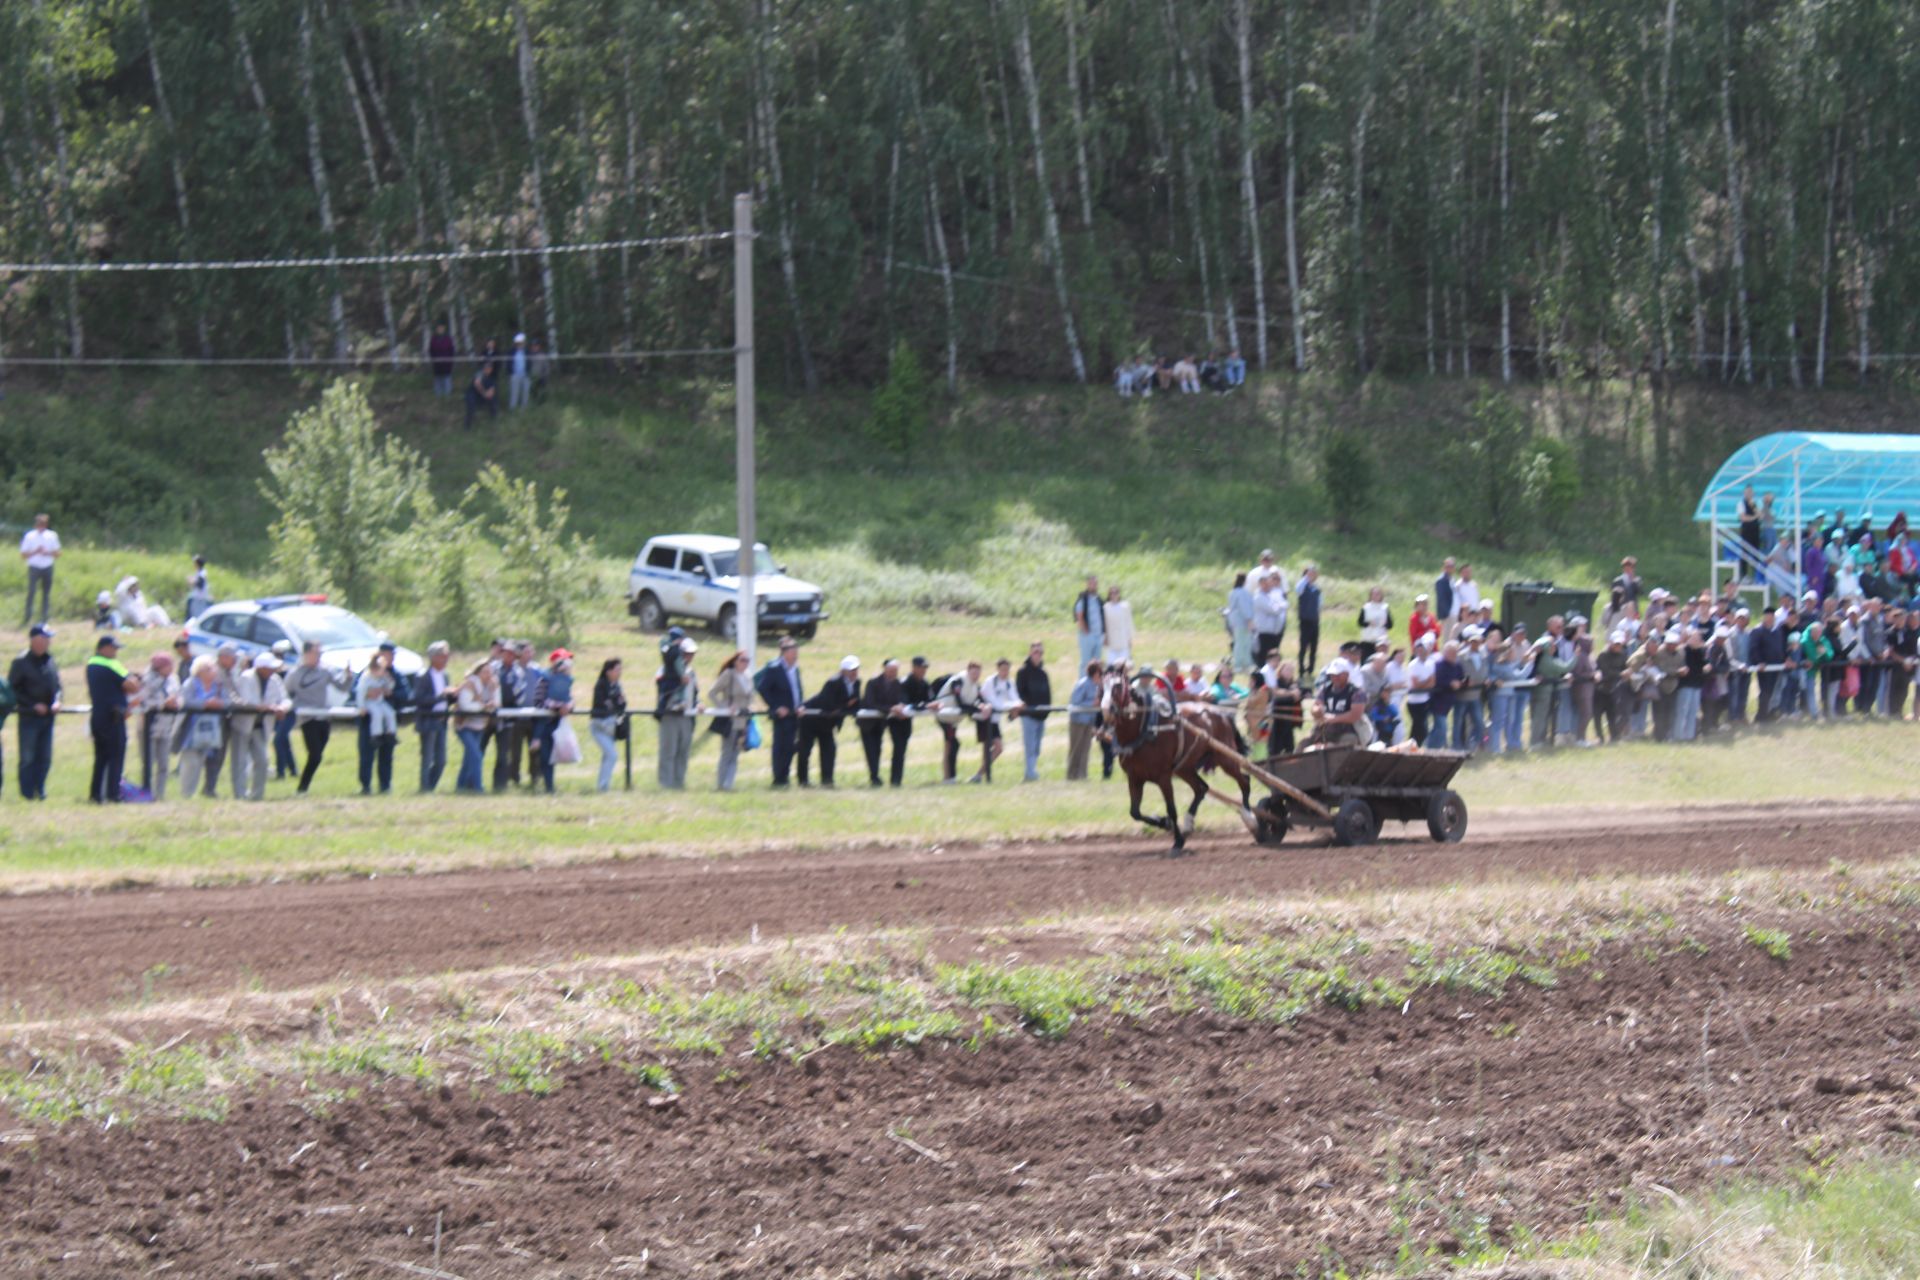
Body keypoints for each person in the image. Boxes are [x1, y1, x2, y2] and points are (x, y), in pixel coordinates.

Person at [286, 642, 353, 793]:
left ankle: (303, 786)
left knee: (317, 756)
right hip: (307, 718)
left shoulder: (325, 671)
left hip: (324, 716)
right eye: (316, 653)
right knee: (315, 754)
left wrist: (348, 677)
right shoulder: (294, 674)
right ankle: (302, 787)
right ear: (306, 654)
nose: (319, 657)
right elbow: (287, 692)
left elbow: (342, 687)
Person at [10, 624, 61, 801]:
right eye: (45, 638)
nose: (48, 642)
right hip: (29, 717)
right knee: (28, 758)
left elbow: (58, 686)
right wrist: (32, 705)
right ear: (35, 640)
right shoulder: (21, 662)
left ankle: (41, 789)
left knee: (45, 757)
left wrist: (57, 701)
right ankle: (27, 794)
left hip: (48, 718)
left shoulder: (50, 660)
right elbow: (12, 691)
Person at [230, 652, 288, 801]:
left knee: (262, 760)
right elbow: (246, 700)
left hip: (261, 726)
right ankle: (240, 795)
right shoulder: (246, 677)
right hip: (243, 724)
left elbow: (285, 698)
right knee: (240, 761)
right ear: (261, 668)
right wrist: (267, 707)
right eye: (269, 668)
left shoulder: (274, 680)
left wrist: (282, 707)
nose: (272, 671)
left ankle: (257, 795)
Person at [86, 634, 136, 803]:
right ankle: (113, 794)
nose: (115, 652)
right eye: (113, 648)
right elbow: (132, 686)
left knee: (101, 758)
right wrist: (134, 678)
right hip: (113, 717)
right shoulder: (111, 664)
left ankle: (95, 795)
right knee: (116, 756)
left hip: (98, 717)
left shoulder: (91, 664)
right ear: (103, 648)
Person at [799, 655, 859, 787]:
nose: (854, 672)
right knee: (805, 750)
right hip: (812, 719)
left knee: (829, 750)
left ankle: (827, 780)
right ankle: (803, 780)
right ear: (843, 671)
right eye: (851, 670)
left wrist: (848, 706)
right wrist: (846, 705)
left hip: (828, 723)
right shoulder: (833, 682)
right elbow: (828, 704)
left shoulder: (857, 682)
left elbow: (855, 702)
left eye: (856, 669)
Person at [753, 636, 805, 787]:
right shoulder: (774, 668)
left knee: (791, 746)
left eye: (796, 651)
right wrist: (775, 707)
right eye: (793, 652)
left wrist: (800, 705)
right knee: (780, 747)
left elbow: (798, 690)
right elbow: (762, 688)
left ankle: (786, 776)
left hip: (795, 713)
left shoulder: (795, 669)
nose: (796, 655)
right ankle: (778, 778)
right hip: (781, 715)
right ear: (785, 653)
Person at [176, 655, 227, 799]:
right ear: (201, 670)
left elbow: (227, 701)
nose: (214, 671)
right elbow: (185, 701)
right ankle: (186, 794)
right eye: (210, 668)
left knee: (203, 763)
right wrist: (205, 704)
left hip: (211, 731)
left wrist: (220, 704)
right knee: (190, 764)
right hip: (190, 731)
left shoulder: (218, 686)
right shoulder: (191, 683)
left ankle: (200, 793)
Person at [858, 657, 911, 788]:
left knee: (884, 748)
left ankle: (892, 780)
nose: (894, 673)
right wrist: (890, 708)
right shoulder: (873, 682)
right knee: (872, 750)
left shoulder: (898, 683)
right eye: (891, 670)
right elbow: (870, 703)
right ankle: (874, 777)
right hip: (868, 723)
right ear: (885, 669)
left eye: (896, 670)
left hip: (883, 722)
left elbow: (902, 699)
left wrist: (901, 707)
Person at [356, 648, 402, 795]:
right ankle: (365, 786)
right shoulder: (365, 675)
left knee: (386, 757)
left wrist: (390, 691)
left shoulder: (393, 675)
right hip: (368, 719)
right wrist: (364, 702)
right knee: (366, 756)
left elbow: (403, 692)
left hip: (384, 711)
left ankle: (385, 785)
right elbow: (356, 691)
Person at [136, 650, 182, 799]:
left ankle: (160, 794)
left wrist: (176, 703)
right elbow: (142, 701)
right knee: (148, 762)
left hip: (166, 726)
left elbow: (179, 696)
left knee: (164, 763)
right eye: (168, 666)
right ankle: (146, 792)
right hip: (149, 727)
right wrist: (163, 703)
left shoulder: (173, 680)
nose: (171, 669)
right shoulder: (146, 680)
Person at [656, 635, 700, 790]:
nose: (689, 657)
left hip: (687, 716)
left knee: (683, 752)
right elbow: (662, 685)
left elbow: (695, 693)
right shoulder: (666, 669)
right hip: (670, 714)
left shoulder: (691, 672)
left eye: (691, 654)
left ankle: (679, 783)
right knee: (669, 751)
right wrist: (677, 679)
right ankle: (665, 784)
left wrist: (698, 704)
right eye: (686, 653)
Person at [707, 652, 753, 792]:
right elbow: (712, 693)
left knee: (736, 753)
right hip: (730, 719)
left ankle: (729, 784)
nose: (745, 663)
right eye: (742, 660)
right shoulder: (729, 674)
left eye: (747, 660)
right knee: (727, 752)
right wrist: (724, 707)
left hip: (743, 719)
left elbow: (750, 697)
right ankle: (721, 784)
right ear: (735, 661)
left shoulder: (748, 676)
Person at [415, 640, 455, 793]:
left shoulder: (445, 676)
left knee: (441, 760)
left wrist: (453, 696)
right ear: (433, 657)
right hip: (428, 720)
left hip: (442, 721)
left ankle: (430, 787)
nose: (446, 659)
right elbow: (419, 699)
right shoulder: (423, 676)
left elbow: (446, 700)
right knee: (427, 758)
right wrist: (441, 697)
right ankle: (424, 789)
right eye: (443, 656)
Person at [454, 658, 498, 794]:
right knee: (476, 755)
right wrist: (483, 706)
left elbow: (497, 702)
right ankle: (478, 788)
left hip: (479, 725)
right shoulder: (469, 685)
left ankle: (460, 787)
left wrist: (490, 705)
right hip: (464, 725)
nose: (488, 675)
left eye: (490, 672)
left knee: (469, 758)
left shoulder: (492, 685)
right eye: (485, 672)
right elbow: (465, 705)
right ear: (478, 672)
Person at [533, 650, 575, 793]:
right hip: (544, 725)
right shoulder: (544, 679)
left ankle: (549, 786)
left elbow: (569, 699)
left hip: (557, 724)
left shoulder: (566, 681)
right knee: (545, 756)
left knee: (552, 757)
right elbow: (538, 702)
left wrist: (568, 707)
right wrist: (556, 706)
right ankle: (547, 786)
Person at [1305, 660, 1371, 747]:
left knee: (1344, 746)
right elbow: (1316, 706)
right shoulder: (1325, 690)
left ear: (1347, 674)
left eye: (1338, 675)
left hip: (1350, 730)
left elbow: (1354, 716)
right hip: (1326, 729)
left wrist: (1332, 718)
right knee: (1304, 744)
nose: (1334, 677)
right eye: (1332, 675)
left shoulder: (1357, 692)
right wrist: (1317, 711)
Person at [977, 658, 1020, 782]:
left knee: (996, 748)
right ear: (998, 669)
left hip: (995, 720)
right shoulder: (990, 682)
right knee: (993, 747)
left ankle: (980, 775)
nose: (1005, 672)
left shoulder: (1009, 682)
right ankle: (981, 775)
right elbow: (994, 703)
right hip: (985, 718)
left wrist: (1018, 705)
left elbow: (1014, 698)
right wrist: (1012, 706)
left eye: (1007, 670)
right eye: (1002, 669)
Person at [593, 658, 631, 793]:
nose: (620, 672)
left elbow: (622, 704)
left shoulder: (617, 685)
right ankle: (603, 787)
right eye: (617, 669)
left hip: (611, 726)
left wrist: (616, 702)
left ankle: (603, 787)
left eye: (620, 669)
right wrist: (616, 702)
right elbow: (605, 704)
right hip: (599, 726)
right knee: (612, 755)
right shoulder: (601, 685)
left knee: (608, 756)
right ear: (608, 671)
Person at [493, 641, 527, 791]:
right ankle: (470, 783)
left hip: (507, 717)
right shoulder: (493, 669)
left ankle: (500, 786)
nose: (508, 656)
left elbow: (519, 695)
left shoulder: (518, 673)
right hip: (489, 716)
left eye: (512, 653)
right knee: (478, 750)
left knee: (503, 754)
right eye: (506, 652)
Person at [1014, 642, 1050, 783]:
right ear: (1030, 653)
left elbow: (1047, 693)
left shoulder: (1043, 673)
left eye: (1040, 652)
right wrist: (1027, 706)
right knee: (1030, 746)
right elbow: (1019, 692)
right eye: (1035, 652)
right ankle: (1029, 773)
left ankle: (1032, 770)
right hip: (1028, 715)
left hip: (1041, 715)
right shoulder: (1022, 672)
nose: (1038, 655)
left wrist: (1046, 710)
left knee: (1037, 747)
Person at [19, 514, 60, 629]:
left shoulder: (52, 536)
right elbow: (23, 554)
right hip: (34, 567)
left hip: (47, 567)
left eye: (43, 524)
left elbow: (57, 553)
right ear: (36, 524)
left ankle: (44, 617)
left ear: (46, 525)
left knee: (46, 594)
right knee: (31, 592)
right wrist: (35, 552)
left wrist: (47, 552)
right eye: (39, 524)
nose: (40, 526)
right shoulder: (29, 536)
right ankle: (27, 617)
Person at [1065, 659, 1102, 781]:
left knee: (1085, 748)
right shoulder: (1083, 684)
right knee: (1076, 748)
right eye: (1100, 672)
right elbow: (1075, 702)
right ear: (1095, 672)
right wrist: (1092, 703)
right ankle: (1071, 775)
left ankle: (1082, 774)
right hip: (1078, 721)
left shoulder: (1096, 686)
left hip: (1088, 721)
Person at [1453, 627, 1488, 750]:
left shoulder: (1483, 656)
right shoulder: (1461, 656)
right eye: (1473, 641)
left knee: (1479, 722)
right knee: (1458, 723)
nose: (1476, 644)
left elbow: (1484, 672)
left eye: (1478, 641)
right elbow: (1456, 674)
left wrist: (1486, 680)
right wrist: (1465, 682)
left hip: (1476, 695)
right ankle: (1456, 746)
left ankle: (1472, 744)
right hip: (1463, 695)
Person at [1428, 640, 1464, 749]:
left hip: (1449, 701)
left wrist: (1461, 683)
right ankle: (1436, 749)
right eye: (1451, 652)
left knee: (1437, 728)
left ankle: (1430, 748)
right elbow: (1436, 681)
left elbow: (1461, 677)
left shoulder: (1457, 665)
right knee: (1442, 727)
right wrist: (1450, 683)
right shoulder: (1439, 665)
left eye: (1455, 652)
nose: (1453, 655)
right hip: (1437, 701)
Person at [1225, 573, 1256, 670]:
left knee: (1241, 642)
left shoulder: (1233, 592)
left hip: (1235, 620)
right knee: (1243, 643)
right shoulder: (1242, 593)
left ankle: (1245, 663)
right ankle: (1240, 664)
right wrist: (1249, 619)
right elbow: (1244, 607)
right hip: (1242, 621)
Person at [1295, 565, 1322, 677]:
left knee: (1314, 647)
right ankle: (1301, 668)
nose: (1311, 576)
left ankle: (1311, 668)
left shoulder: (1317, 589)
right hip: (1304, 621)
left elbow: (1319, 605)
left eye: (1313, 574)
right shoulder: (1302, 587)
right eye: (1309, 574)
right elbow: (1297, 589)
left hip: (1314, 621)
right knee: (1303, 646)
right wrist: (1306, 576)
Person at [1073, 575, 1104, 670]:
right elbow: (1079, 616)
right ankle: (1082, 682)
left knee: (1097, 662)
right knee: (1086, 662)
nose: (1093, 585)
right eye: (1091, 583)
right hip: (1087, 636)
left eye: (1095, 583)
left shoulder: (1098, 599)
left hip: (1098, 635)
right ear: (1087, 584)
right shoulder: (1083, 599)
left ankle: (1094, 683)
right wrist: (1086, 631)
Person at [1102, 585, 1134, 666]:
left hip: (1123, 639)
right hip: (1111, 640)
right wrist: (1105, 637)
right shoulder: (1106, 607)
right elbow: (1105, 623)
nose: (1114, 595)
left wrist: (1130, 638)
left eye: (1116, 593)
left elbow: (1129, 622)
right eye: (1111, 593)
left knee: (1124, 664)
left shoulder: (1125, 606)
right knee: (1111, 664)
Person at [1358, 586, 1391, 661]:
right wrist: (1369, 623)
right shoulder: (1366, 607)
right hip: (1368, 639)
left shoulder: (1385, 607)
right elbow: (1360, 622)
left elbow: (1390, 624)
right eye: (1374, 594)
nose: (1376, 596)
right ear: (1370, 595)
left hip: (1380, 640)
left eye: (1378, 594)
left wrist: (1384, 623)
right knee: (1366, 660)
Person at [464, 360, 499, 429]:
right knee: (471, 406)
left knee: (493, 400)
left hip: (483, 396)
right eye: (486, 368)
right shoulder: (479, 374)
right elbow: (477, 384)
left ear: (491, 369)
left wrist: (488, 394)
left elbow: (492, 391)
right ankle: (467, 426)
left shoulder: (492, 378)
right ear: (483, 368)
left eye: (489, 368)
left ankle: (493, 420)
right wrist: (484, 393)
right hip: (473, 394)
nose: (487, 369)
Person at [428, 321, 457, 396]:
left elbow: (452, 350)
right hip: (437, 363)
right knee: (437, 378)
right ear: (437, 329)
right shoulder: (433, 338)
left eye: (441, 328)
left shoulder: (448, 338)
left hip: (446, 362)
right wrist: (433, 359)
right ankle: (438, 395)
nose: (440, 329)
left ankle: (447, 394)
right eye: (439, 328)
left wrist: (450, 360)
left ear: (444, 329)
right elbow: (431, 350)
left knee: (447, 378)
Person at [507, 333, 533, 410]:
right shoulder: (511, 352)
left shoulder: (527, 352)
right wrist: (510, 373)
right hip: (514, 375)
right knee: (514, 393)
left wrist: (528, 372)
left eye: (522, 342)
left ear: (524, 343)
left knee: (525, 393)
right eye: (518, 343)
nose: (520, 344)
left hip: (525, 375)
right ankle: (512, 409)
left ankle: (524, 409)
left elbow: (529, 362)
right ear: (516, 343)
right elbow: (508, 363)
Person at [184, 555, 212, 621]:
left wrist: (192, 581)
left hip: (199, 598)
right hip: (197, 597)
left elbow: (200, 585)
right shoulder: (199, 572)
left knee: (196, 615)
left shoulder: (202, 573)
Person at [1433, 558, 1457, 625]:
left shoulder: (1453, 579)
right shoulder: (1441, 581)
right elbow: (1441, 599)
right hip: (1447, 616)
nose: (1449, 568)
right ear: (1444, 568)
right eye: (1447, 566)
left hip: (1455, 614)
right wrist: (1447, 614)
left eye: (1452, 566)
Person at [529, 339, 551, 403]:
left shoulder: (542, 355)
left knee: (542, 391)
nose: (534, 347)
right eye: (533, 346)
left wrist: (546, 375)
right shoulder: (529, 355)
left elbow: (546, 366)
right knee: (533, 391)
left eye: (536, 346)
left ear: (539, 346)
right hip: (532, 377)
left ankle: (542, 403)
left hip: (541, 376)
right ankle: (534, 402)